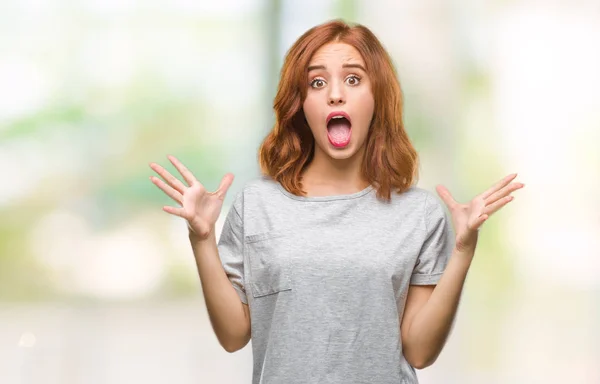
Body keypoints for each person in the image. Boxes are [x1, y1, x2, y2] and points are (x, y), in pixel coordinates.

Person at [149, 19, 524, 384]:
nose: (335, 93)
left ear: (377, 97)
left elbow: (419, 352)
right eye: (316, 82)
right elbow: (233, 335)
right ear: (301, 103)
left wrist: (463, 250)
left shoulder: (419, 214)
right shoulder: (257, 204)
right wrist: (201, 240)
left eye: (353, 78)